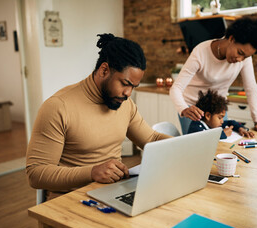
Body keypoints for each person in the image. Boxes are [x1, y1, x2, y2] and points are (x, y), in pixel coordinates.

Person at [26, 34, 170, 200]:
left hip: (114, 194)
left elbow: (151, 138)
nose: (128, 93)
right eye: (125, 84)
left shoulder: (125, 104)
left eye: (133, 87)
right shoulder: (58, 107)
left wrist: (185, 147)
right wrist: (92, 172)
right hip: (71, 200)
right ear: (104, 70)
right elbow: (35, 173)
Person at [169, 17, 257, 135]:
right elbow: (176, 89)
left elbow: (251, 89)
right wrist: (184, 109)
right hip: (193, 108)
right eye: (240, 53)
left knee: (223, 145)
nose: (240, 59)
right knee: (196, 148)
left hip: (218, 109)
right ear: (231, 38)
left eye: (245, 57)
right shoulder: (201, 52)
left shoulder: (245, 59)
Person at [188, 89, 254, 139]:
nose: (222, 121)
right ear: (208, 116)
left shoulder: (213, 124)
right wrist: (223, 134)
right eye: (219, 118)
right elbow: (205, 139)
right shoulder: (196, 125)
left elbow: (231, 122)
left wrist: (240, 128)